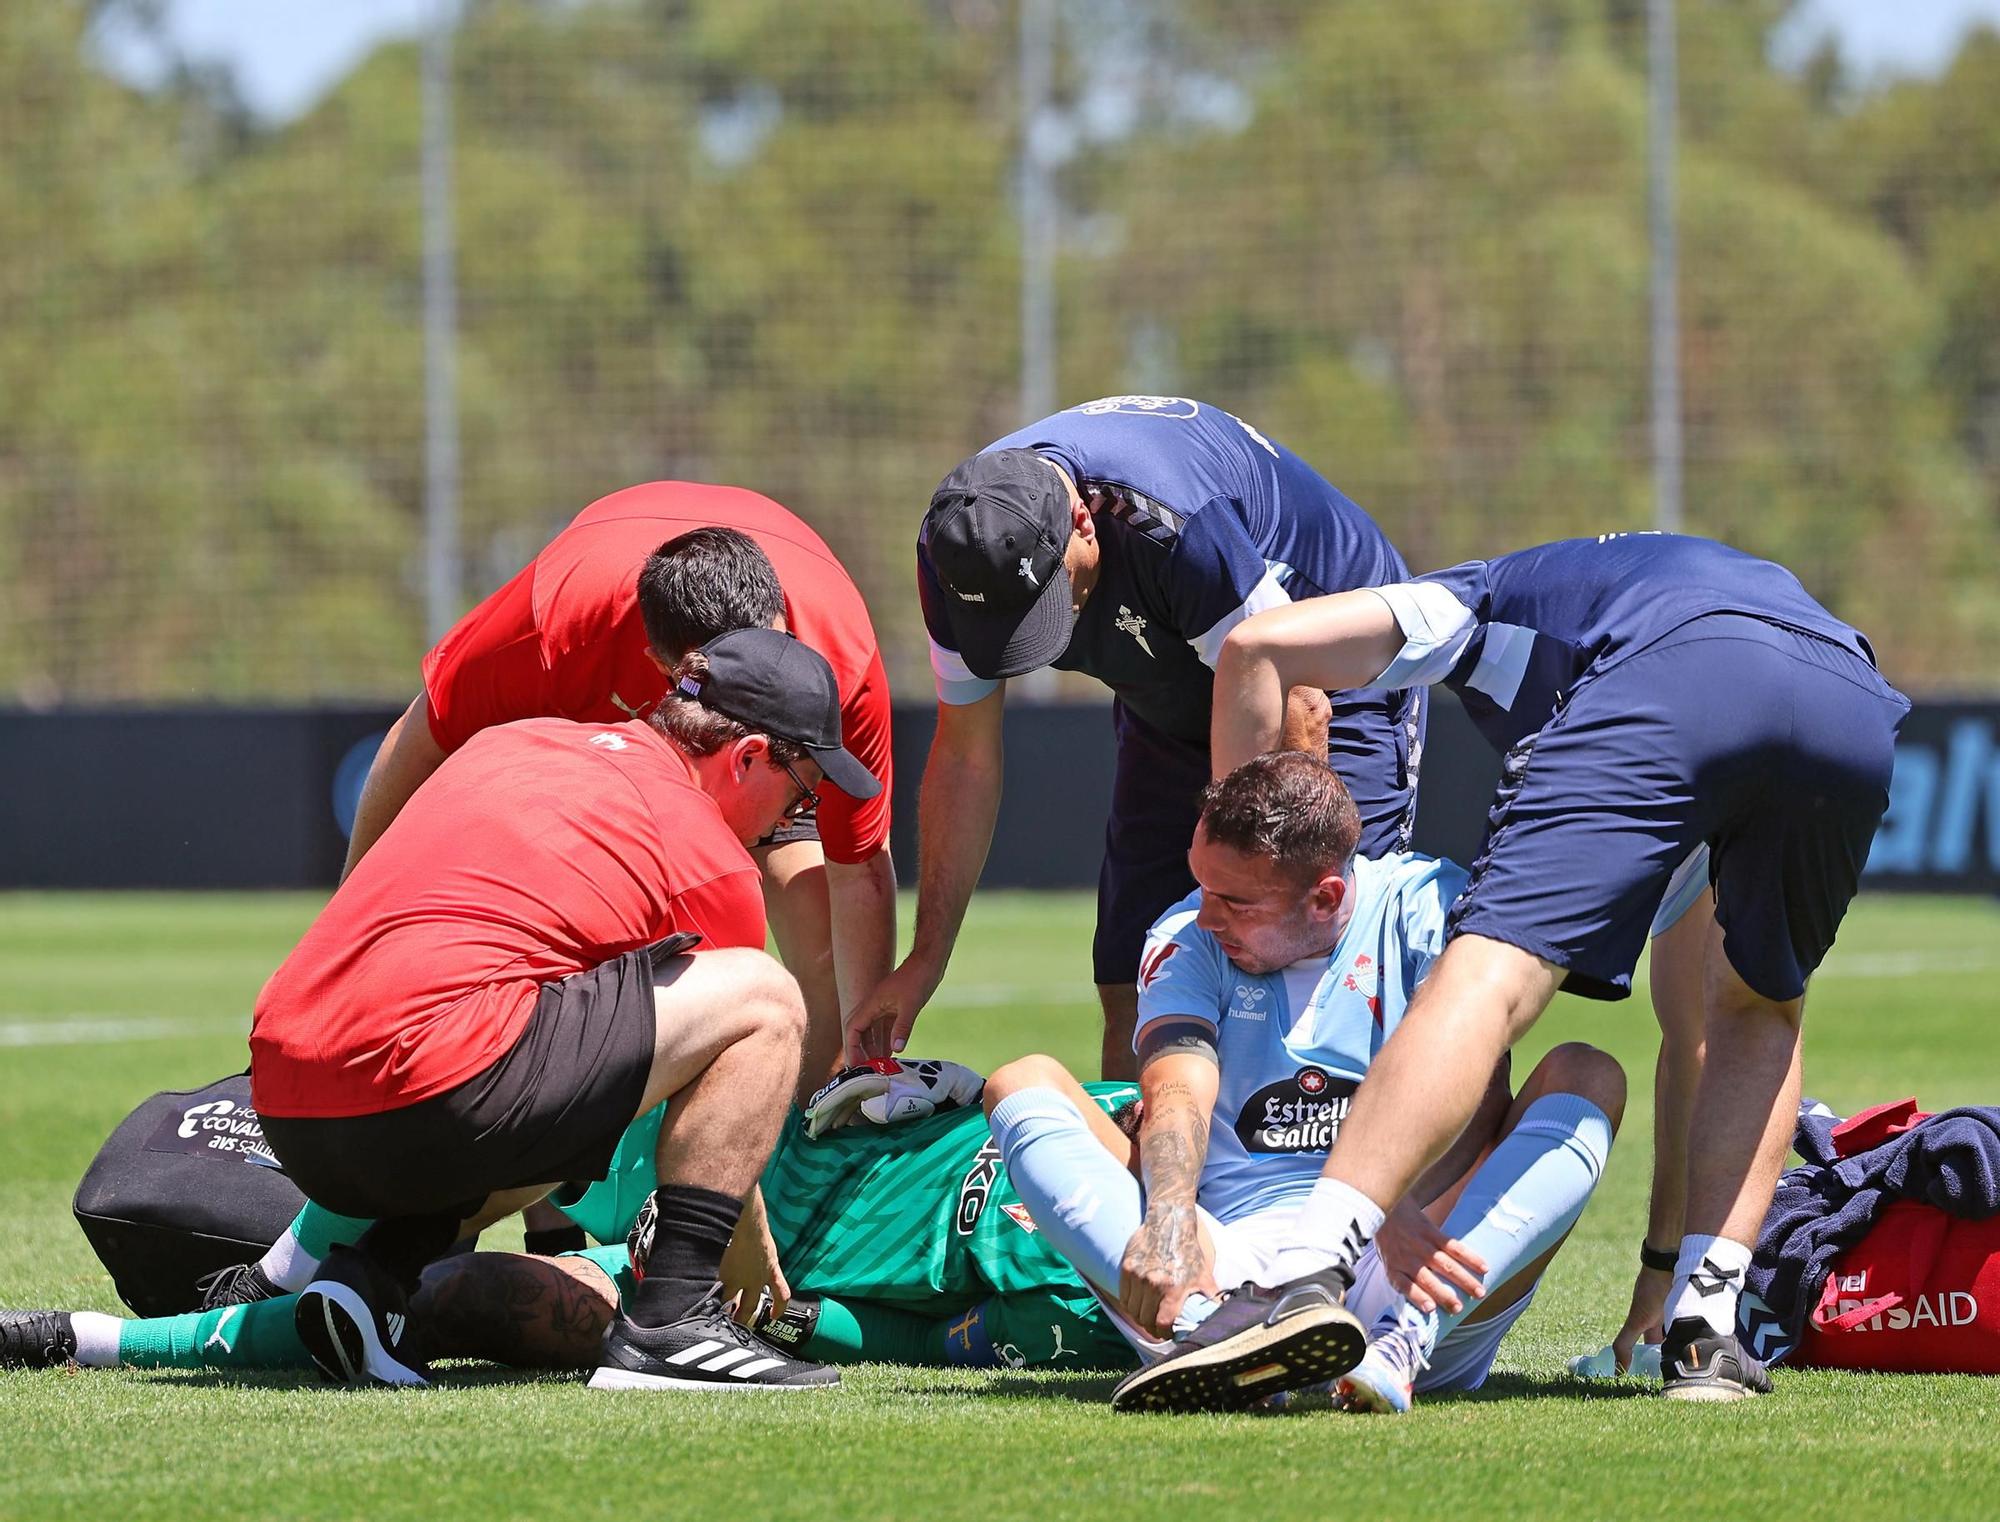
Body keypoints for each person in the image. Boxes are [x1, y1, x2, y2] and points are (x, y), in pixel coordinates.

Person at [1202, 531, 1909, 1403]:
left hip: (1677, 670)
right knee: (1761, 1006)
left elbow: (1257, 644)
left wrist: (1245, 846)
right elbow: (1695, 1024)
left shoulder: (1481, 594)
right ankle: (1703, 1333)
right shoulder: (1657, 589)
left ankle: (1300, 1278)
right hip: (1848, 691)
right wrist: (1658, 1274)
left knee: (1490, 976)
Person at [249, 626, 880, 1394]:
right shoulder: (705, 855)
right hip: (424, 1092)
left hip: (288, 1102)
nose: (790, 822)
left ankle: (374, 1276)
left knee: (565, 1071)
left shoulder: (520, 740)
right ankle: (674, 1325)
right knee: (765, 997)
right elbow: (727, 1082)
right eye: (800, 793)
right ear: (746, 757)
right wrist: (739, 1254)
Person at [983, 751, 1624, 1412]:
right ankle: (1214, 1333)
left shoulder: (1427, 907)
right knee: (1020, 1083)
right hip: (1225, 1265)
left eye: (1234, 902)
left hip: (1412, 1271)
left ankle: (1401, 1348)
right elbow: (1177, 1091)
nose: (1206, 916)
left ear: (1326, 898)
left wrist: (1383, 1206)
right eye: (1202, 886)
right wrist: (1169, 1215)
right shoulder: (1185, 936)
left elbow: (1474, 1077)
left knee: (1587, 1074)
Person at [851, 396, 1416, 1079]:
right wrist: (926, 960)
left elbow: (1302, 706)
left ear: (1084, 525)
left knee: (1328, 963)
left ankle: (1370, 1173)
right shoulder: (959, 549)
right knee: (1138, 976)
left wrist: (1264, 893)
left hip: (1333, 675)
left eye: (1047, 608)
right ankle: (1146, 1179)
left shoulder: (1172, 526)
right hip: (1171, 695)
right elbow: (966, 756)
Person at [2, 1067, 1140, 1378]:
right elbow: (1036, 1072)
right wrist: (939, 1077)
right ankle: (277, 1256)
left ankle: (82, 1337)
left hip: (701, 1251)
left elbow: (880, 1333)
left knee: (449, 1302)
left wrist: (775, 1317)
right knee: (457, 1146)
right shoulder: (1151, 1122)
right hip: (711, 1121)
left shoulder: (1097, 1326)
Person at [344, 483, 897, 1105]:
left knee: (810, 924)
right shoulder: (555, 631)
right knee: (586, 967)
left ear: (782, 623)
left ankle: (814, 1141)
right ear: (663, 664)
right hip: (602, 741)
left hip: (761, 734)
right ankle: (573, 1188)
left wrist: (868, 1071)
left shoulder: (836, 662)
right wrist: (345, 940)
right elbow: (418, 742)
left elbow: (859, 867)